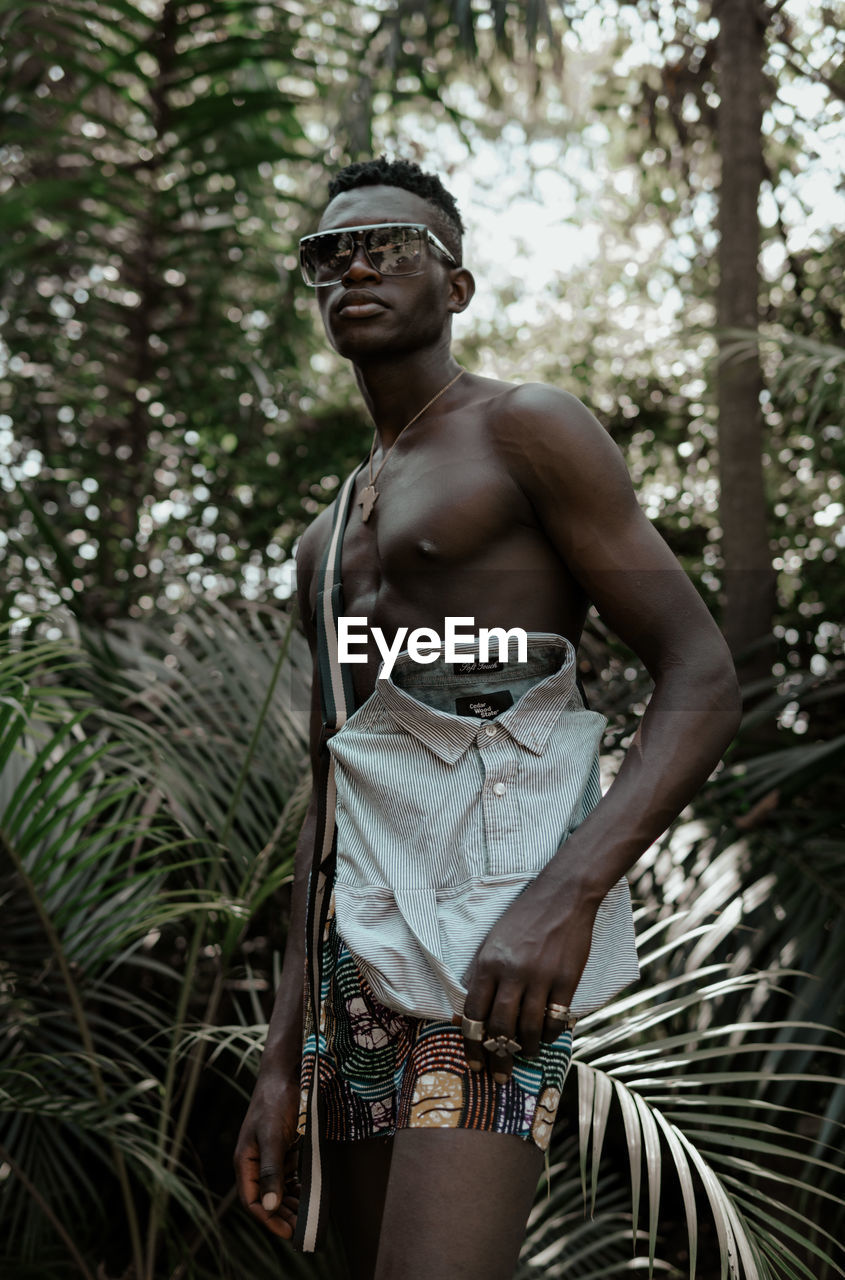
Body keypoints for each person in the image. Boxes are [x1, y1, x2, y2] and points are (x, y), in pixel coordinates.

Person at [234, 156, 742, 1280]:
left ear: (455, 287)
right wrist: (283, 1056)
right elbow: (334, 792)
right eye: (329, 253)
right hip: (352, 956)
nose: (355, 263)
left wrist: (565, 895)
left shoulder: (526, 429)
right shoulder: (324, 543)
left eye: (389, 245)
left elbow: (701, 675)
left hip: (489, 932)